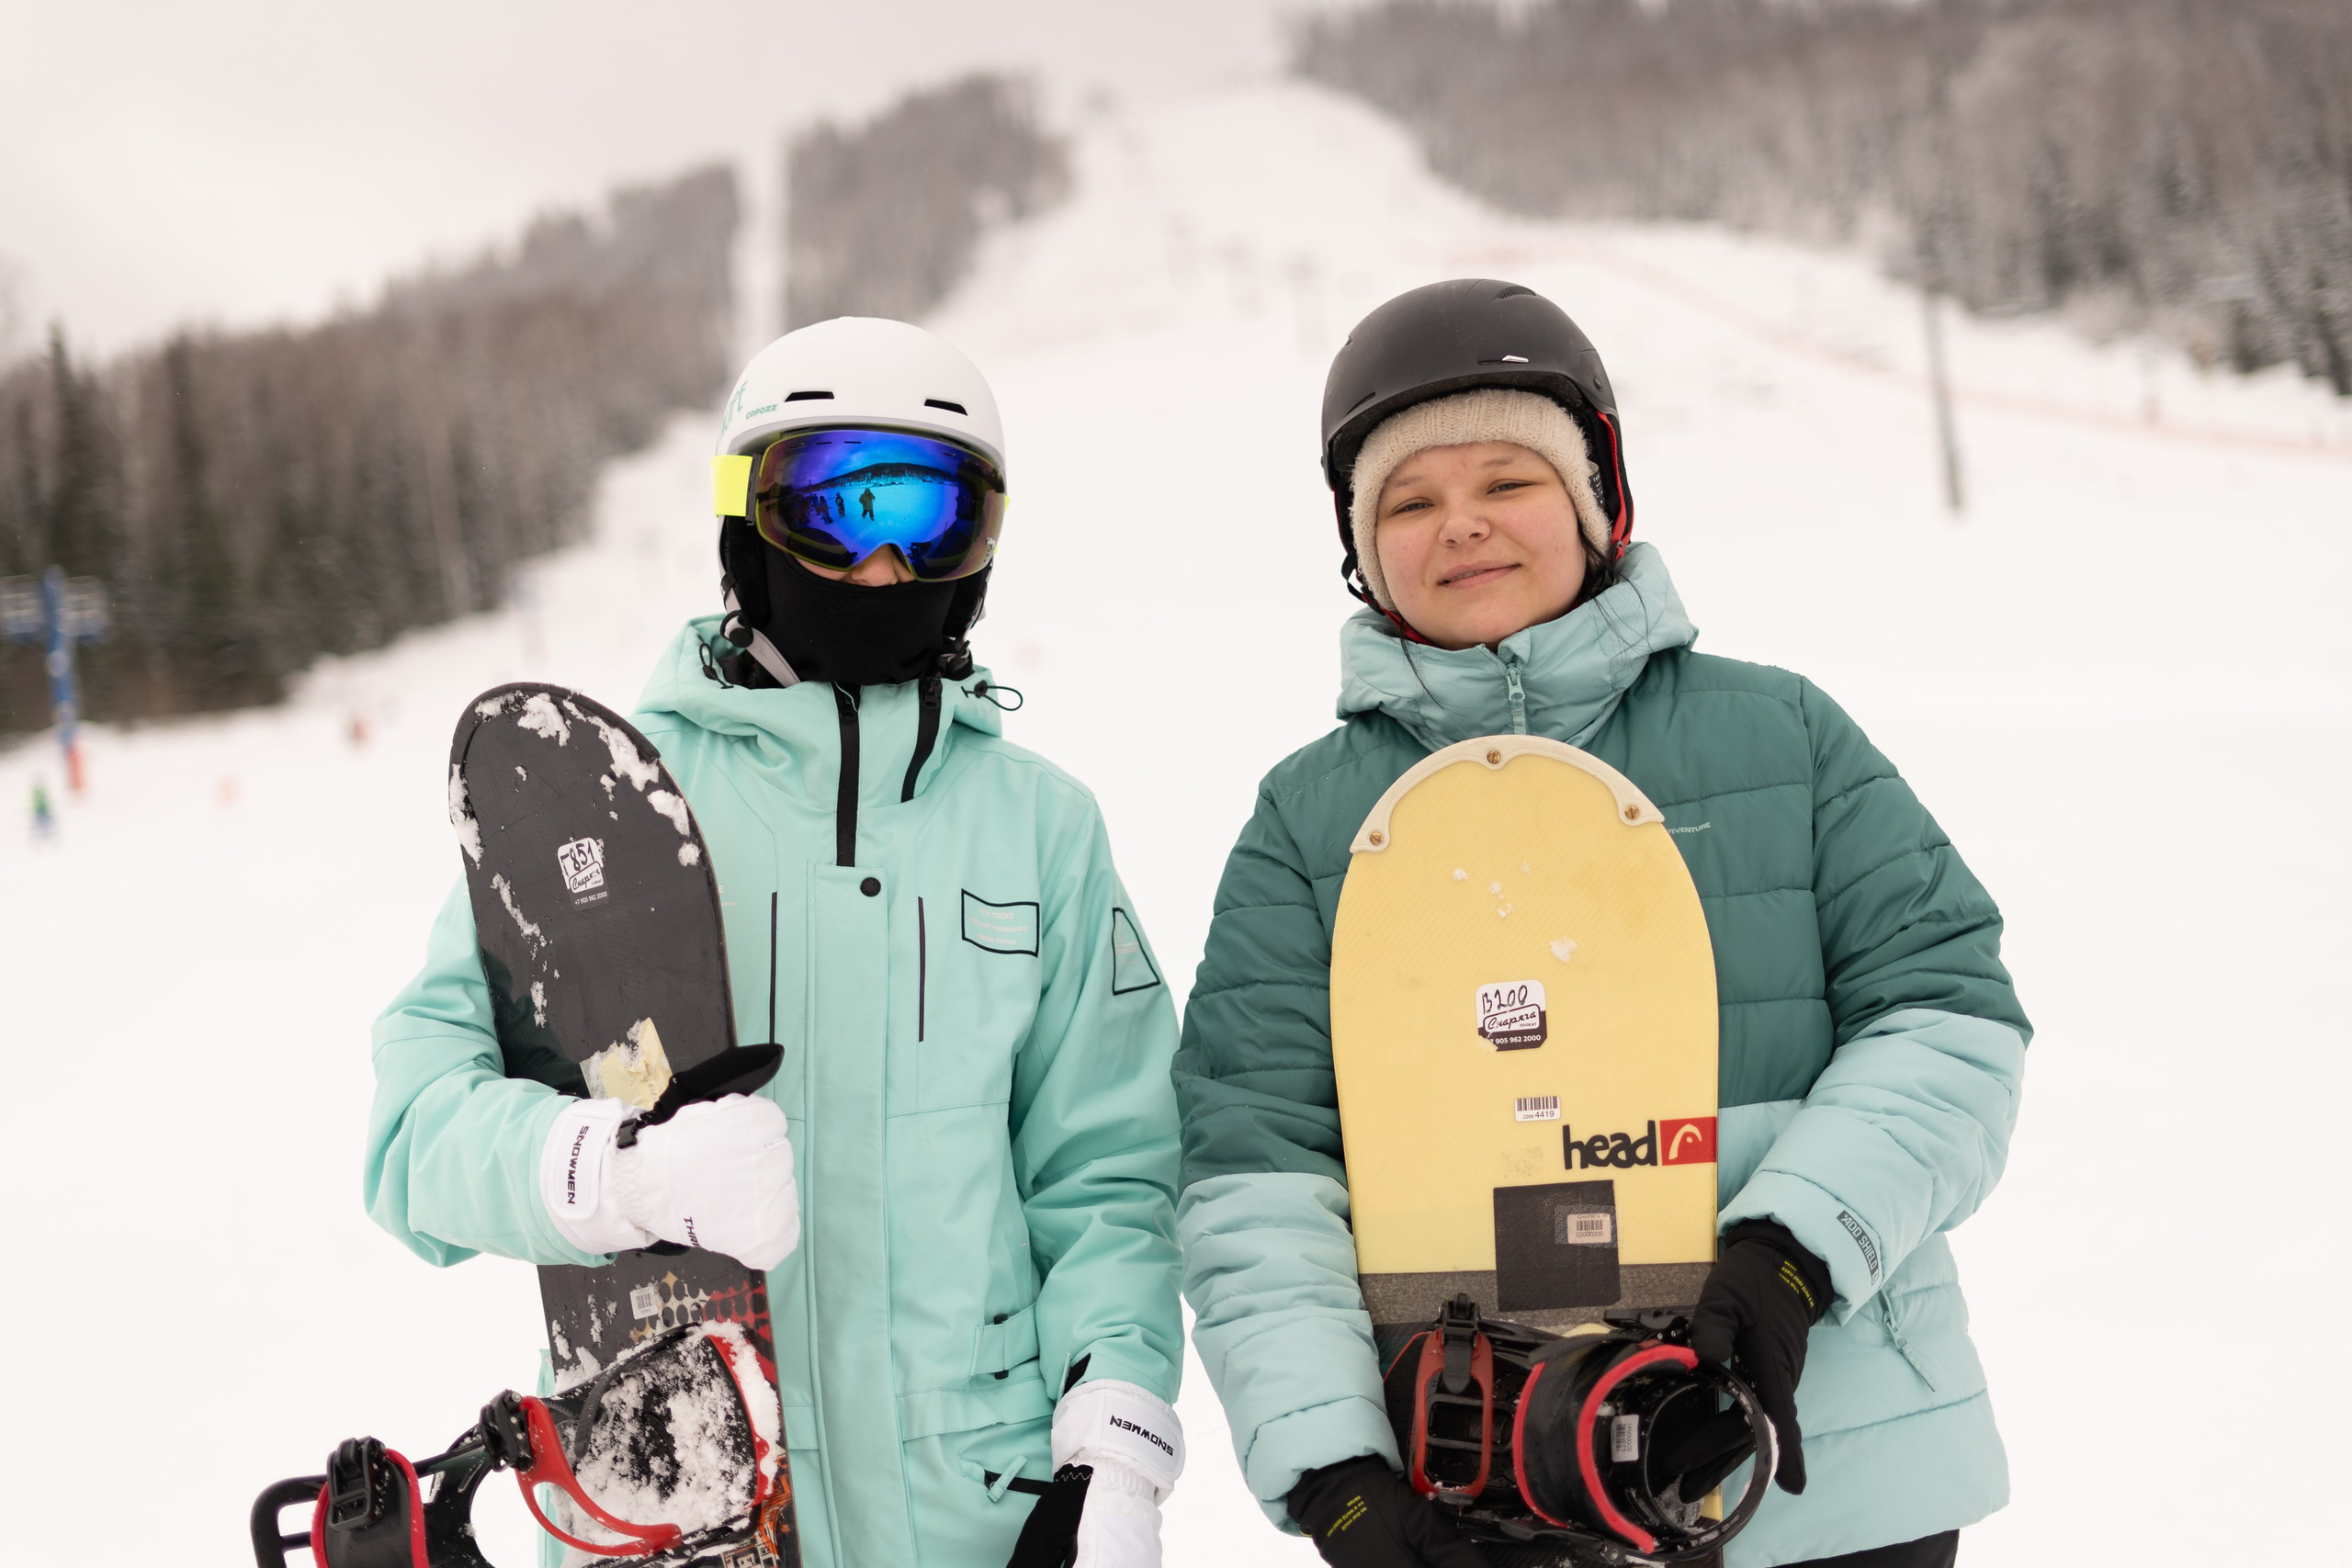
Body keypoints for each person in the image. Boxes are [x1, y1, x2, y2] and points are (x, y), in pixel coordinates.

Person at [1172, 279, 2028, 1568]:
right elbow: (1254, 1176)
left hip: (1827, 1472)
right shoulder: (1312, 822)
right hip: (1487, 1494)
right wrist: (1337, 1471)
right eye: (1408, 501)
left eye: (1507, 480)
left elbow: (1948, 1023)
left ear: (1594, 502)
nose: (1459, 525)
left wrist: (1793, 1254)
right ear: (1363, 546)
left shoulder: (1781, 735)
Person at [368, 317, 1188, 1568]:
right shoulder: (603, 805)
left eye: (927, 516)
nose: (876, 566)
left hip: (980, 1512)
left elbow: (1110, 1176)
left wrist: (1114, 1451)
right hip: (673, 1500)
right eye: (831, 509)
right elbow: (412, 1135)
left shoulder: (1041, 831)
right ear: (745, 525)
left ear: (982, 548)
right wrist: (609, 1171)